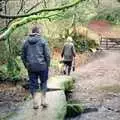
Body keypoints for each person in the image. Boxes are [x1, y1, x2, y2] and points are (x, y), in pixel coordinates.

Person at [21, 26, 50, 109]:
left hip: (31, 67)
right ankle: (43, 101)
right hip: (42, 66)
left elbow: (22, 55)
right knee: (43, 82)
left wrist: (26, 65)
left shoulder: (25, 42)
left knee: (33, 84)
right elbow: (47, 55)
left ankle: (35, 102)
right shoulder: (42, 40)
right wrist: (47, 65)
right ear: (38, 32)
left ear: (32, 32)